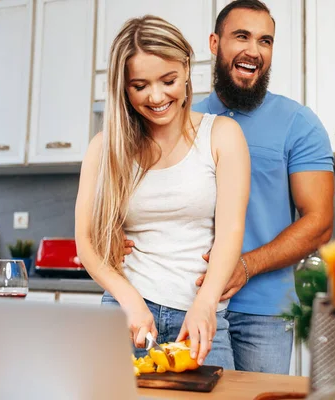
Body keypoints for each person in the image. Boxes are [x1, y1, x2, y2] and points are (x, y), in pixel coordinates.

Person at [126, 0, 335, 374]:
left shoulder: (298, 123)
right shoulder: (181, 117)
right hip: (185, 302)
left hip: (264, 311)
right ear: (214, 43)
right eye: (242, 36)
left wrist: (246, 265)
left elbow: (319, 222)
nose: (254, 50)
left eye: (265, 41)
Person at [74, 15, 251, 370]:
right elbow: (86, 242)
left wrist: (205, 302)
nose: (156, 97)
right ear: (123, 88)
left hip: (200, 320)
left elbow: (230, 233)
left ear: (187, 68)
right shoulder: (104, 148)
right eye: (139, 86)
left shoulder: (222, 135)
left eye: (168, 80)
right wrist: (128, 299)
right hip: (127, 314)